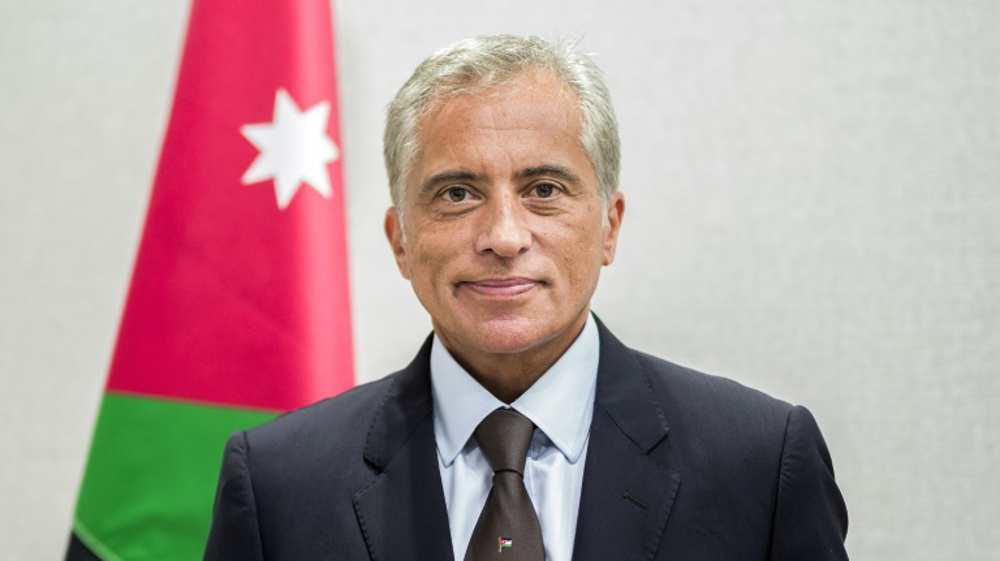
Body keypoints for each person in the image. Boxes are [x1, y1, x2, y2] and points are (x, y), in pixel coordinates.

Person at [204, 34, 848, 560]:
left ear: (609, 226)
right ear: (400, 241)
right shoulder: (280, 485)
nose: (504, 237)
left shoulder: (759, 462)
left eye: (543, 189)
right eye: (457, 193)